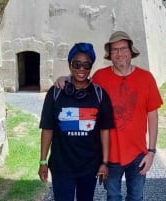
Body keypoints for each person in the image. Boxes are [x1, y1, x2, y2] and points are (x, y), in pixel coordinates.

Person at [55, 31, 163, 201]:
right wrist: (65, 78)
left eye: (123, 49)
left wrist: (151, 151)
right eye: (114, 50)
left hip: (138, 154)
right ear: (110, 55)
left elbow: (153, 116)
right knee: (113, 197)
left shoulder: (146, 78)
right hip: (110, 154)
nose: (119, 54)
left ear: (130, 51)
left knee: (136, 197)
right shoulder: (100, 77)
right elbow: (81, 81)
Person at [38, 42, 115, 201]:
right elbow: (47, 129)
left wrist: (104, 162)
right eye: (77, 64)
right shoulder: (55, 92)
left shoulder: (100, 95)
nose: (81, 69)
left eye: (86, 65)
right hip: (62, 165)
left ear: (90, 67)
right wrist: (43, 161)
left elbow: (104, 131)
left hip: (89, 165)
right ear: (69, 64)